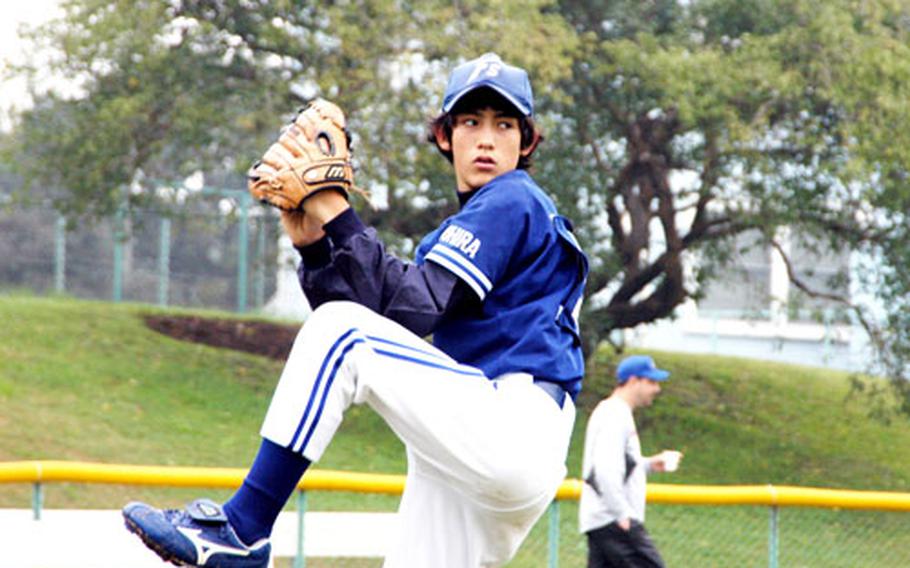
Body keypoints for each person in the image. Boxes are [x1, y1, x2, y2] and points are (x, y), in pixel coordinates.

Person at [122, 52, 589, 568]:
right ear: (444, 136)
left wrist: (333, 208)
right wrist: (317, 249)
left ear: (525, 143)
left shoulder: (512, 197)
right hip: (474, 452)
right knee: (343, 331)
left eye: (504, 125)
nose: (485, 138)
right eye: (471, 121)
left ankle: (243, 527)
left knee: (341, 332)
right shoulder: (483, 218)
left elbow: (401, 315)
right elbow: (382, 321)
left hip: (512, 424)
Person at [578, 355, 682, 568]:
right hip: (613, 520)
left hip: (604, 519)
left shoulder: (617, 413)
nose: (657, 389)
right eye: (651, 382)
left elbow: (620, 463)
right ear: (634, 381)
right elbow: (605, 469)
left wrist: (650, 464)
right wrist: (621, 514)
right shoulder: (614, 414)